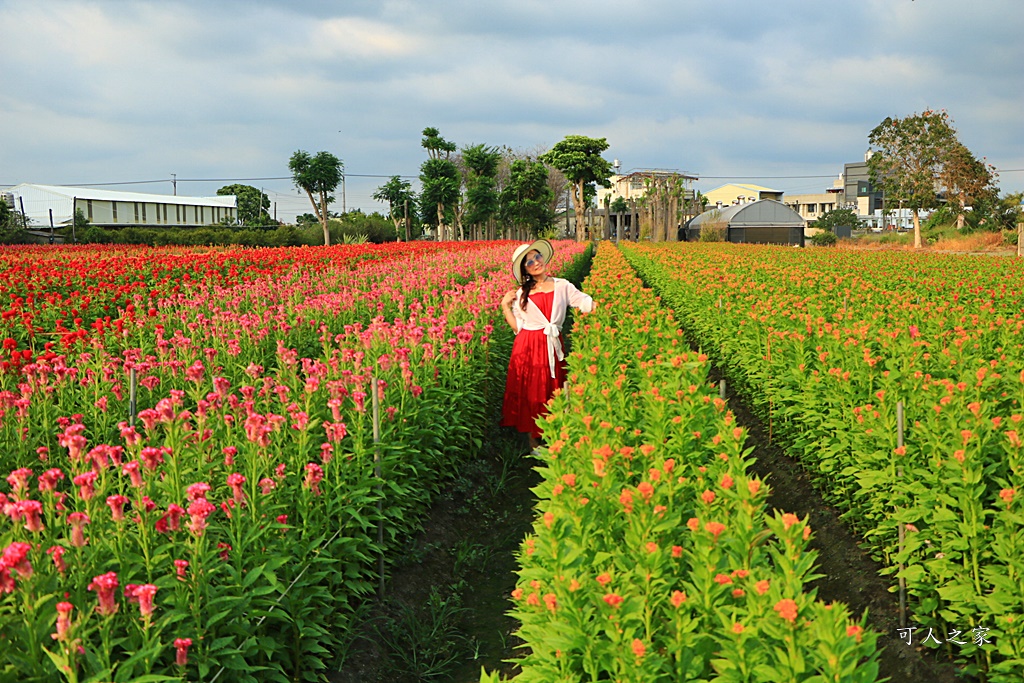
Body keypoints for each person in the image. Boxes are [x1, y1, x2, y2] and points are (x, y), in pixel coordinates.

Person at [499, 240, 596, 452]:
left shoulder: (562, 285)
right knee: (532, 393)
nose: (535, 262)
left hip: (551, 344)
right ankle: (534, 442)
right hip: (528, 347)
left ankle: (556, 437)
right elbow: (519, 328)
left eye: (537, 257)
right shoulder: (521, 294)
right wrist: (505, 307)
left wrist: (601, 304)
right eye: (529, 262)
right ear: (524, 270)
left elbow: (583, 301)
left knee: (554, 390)